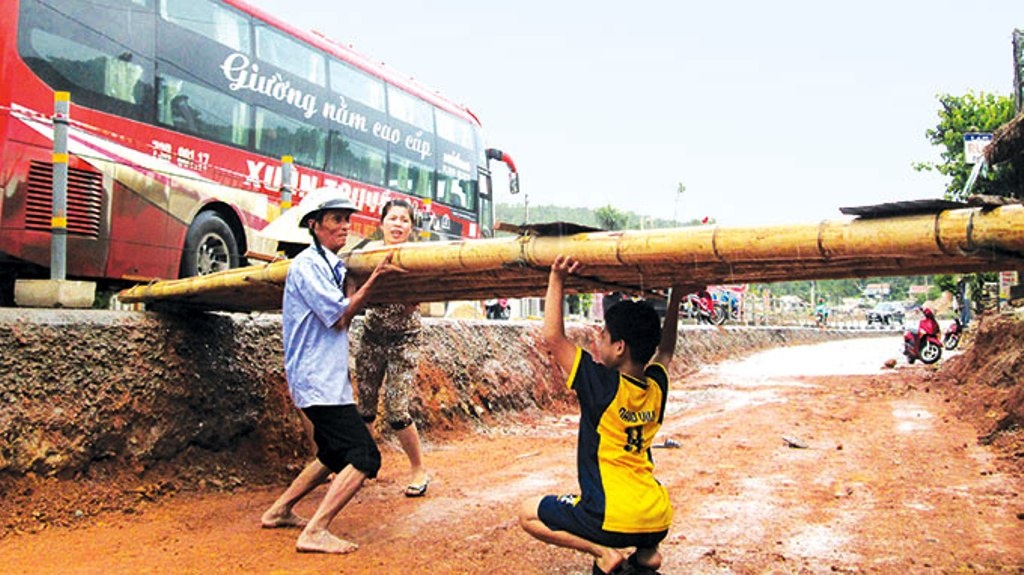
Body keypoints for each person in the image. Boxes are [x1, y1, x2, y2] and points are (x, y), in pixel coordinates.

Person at [519, 255, 683, 575]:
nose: (599, 341)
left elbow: (554, 338)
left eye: (604, 336)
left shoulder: (601, 385)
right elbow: (666, 350)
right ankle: (648, 553)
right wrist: (676, 298)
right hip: (657, 517)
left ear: (619, 347)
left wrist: (557, 277)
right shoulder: (656, 386)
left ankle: (603, 552)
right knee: (639, 514)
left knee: (528, 514)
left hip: (610, 516)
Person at [260, 191, 402, 554]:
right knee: (364, 456)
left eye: (346, 219)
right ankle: (315, 530)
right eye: (336, 219)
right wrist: (376, 280)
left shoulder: (331, 266)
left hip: (325, 380)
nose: (345, 226)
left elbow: (342, 313)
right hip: (316, 379)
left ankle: (279, 510)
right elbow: (340, 315)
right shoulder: (306, 265)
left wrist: (358, 283)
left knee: (331, 454)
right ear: (314, 224)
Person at [353, 199, 431, 497]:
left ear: (411, 227)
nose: (398, 224)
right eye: (393, 219)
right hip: (372, 335)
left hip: (405, 339)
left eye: (404, 220)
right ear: (381, 223)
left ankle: (419, 470)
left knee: (397, 408)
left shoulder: (421, 256)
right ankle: (364, 465)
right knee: (365, 406)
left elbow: (429, 290)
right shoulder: (367, 253)